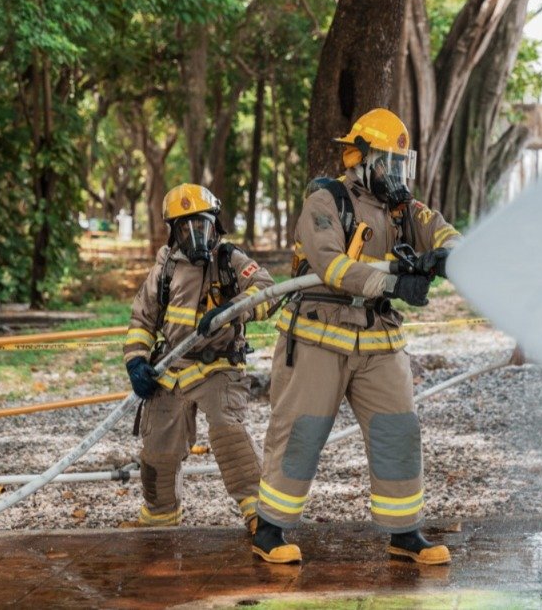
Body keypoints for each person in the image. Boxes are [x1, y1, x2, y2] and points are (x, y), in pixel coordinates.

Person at [252, 108, 461, 565]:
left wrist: (446, 254)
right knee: (301, 432)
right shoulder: (325, 201)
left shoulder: (404, 209)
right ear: (358, 158)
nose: (397, 174)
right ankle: (269, 528)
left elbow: (442, 230)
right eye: (388, 163)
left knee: (398, 430)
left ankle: (404, 533)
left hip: (378, 339)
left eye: (402, 164)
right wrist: (395, 284)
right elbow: (332, 266)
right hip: (318, 336)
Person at [122, 183, 275, 531]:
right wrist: (136, 361)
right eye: (185, 228)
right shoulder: (165, 268)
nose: (195, 235)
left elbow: (267, 290)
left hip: (217, 366)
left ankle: (260, 516)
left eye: (201, 225)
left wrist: (231, 310)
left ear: (214, 224)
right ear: (173, 232)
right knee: (157, 448)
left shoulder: (229, 259)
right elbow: (142, 319)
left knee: (228, 433)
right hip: (171, 369)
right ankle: (159, 518)